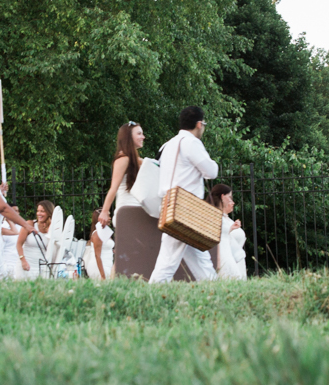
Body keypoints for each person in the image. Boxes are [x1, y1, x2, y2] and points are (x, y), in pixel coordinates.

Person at [151, 105, 220, 283]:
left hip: (168, 204)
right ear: (199, 124)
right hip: (185, 207)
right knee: (168, 260)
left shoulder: (168, 144)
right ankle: (151, 292)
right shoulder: (191, 143)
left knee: (199, 256)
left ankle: (214, 288)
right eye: (203, 124)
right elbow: (211, 172)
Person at [96, 122, 146, 227]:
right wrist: (104, 211)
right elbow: (113, 187)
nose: (143, 137)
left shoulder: (135, 160)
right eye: (139, 133)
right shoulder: (123, 159)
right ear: (129, 136)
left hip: (137, 210)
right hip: (127, 211)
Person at [209, 182, 247, 280]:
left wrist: (231, 228)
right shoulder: (215, 215)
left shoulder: (220, 215)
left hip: (227, 254)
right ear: (222, 196)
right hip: (222, 255)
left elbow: (223, 233)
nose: (231, 200)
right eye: (229, 197)